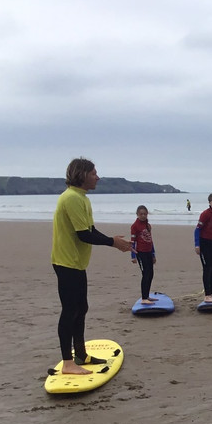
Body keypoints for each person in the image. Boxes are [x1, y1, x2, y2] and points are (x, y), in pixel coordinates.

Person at [50, 158, 132, 375]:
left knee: (81, 308)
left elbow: (91, 230)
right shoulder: (72, 198)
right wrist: (113, 242)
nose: (98, 177)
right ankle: (68, 363)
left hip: (76, 263)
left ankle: (80, 354)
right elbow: (84, 235)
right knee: (70, 311)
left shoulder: (81, 198)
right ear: (82, 174)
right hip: (66, 262)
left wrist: (113, 241)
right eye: (94, 173)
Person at [130, 205, 157, 305]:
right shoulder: (135, 226)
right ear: (137, 214)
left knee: (150, 274)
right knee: (145, 274)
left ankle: (147, 295)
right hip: (140, 253)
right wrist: (133, 256)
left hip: (149, 252)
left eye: (145, 214)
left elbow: (150, 241)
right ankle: (144, 298)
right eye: (141, 214)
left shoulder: (148, 225)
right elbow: (133, 242)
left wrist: (153, 254)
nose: (143, 216)